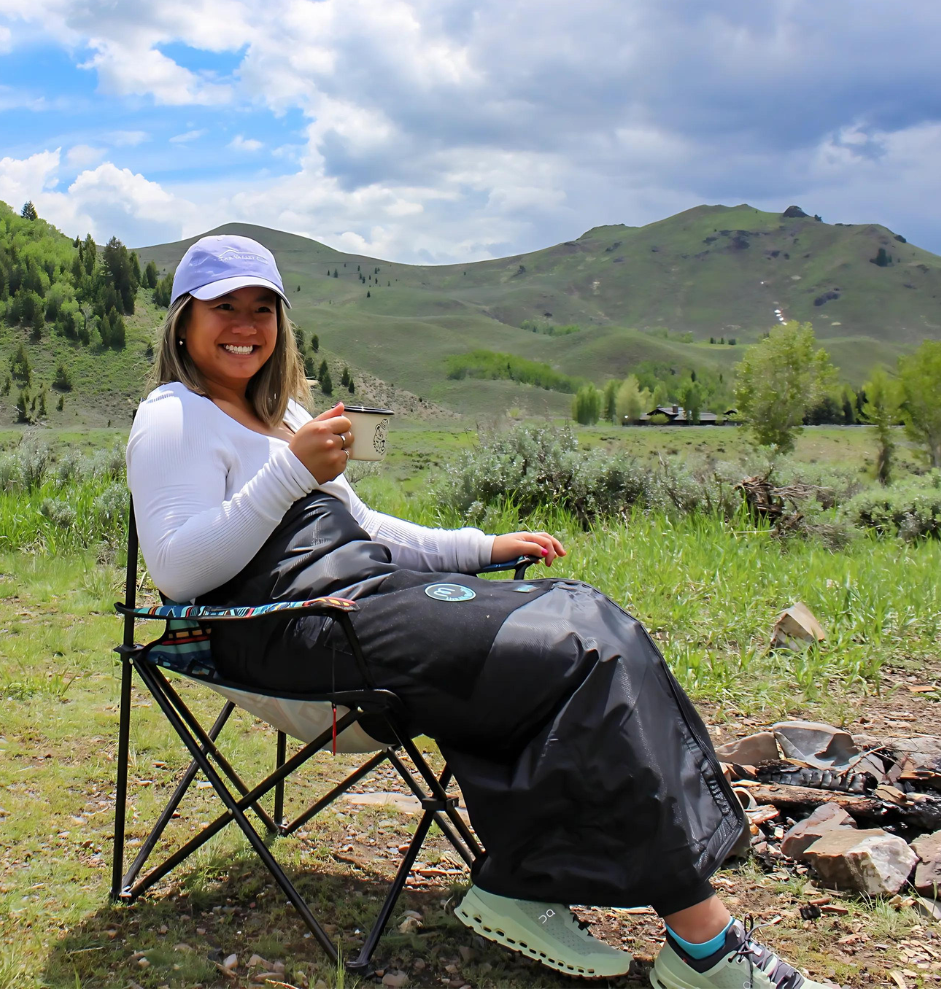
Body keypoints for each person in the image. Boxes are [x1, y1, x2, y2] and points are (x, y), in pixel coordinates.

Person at [127, 235, 827, 989]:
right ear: (183, 322)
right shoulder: (174, 418)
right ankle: (702, 949)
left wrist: (479, 546)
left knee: (590, 618)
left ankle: (527, 881)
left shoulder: (282, 411)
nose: (245, 324)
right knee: (565, 650)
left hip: (362, 599)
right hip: (291, 628)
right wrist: (293, 469)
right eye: (223, 307)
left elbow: (368, 529)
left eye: (262, 308)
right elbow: (178, 572)